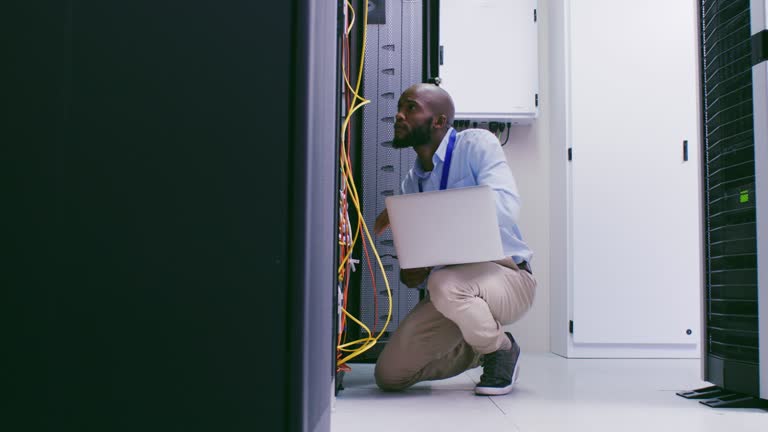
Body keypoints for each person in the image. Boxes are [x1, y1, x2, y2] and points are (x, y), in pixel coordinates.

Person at [372, 83, 536, 396]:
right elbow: (416, 279)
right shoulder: (413, 183)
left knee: (445, 284)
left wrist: (424, 215)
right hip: (454, 291)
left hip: (508, 276)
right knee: (389, 375)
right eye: (400, 107)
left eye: (411, 108)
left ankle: (500, 348)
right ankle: (479, 344)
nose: (399, 115)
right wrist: (414, 268)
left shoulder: (477, 144)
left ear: (439, 121)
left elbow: (506, 207)